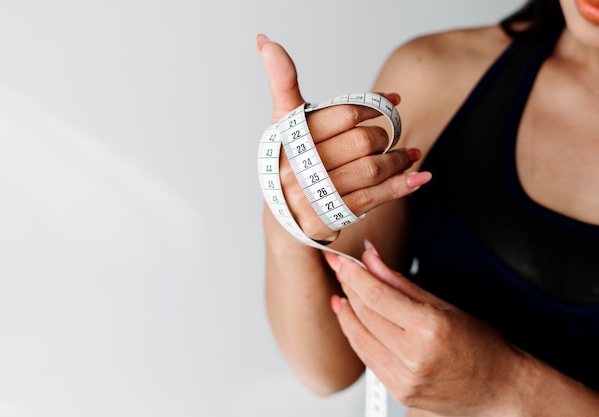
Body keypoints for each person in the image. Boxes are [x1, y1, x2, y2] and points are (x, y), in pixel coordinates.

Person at [256, 0, 599, 415]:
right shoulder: (437, 74)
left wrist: (506, 386)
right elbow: (328, 368)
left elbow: (503, 388)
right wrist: (288, 226)